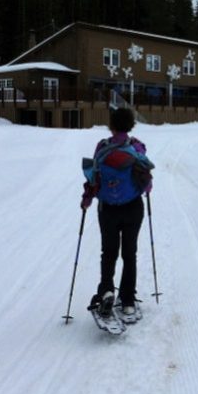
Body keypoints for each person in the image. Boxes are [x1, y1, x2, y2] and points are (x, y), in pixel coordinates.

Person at [81, 107, 152, 318]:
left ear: (111, 125)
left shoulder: (102, 147)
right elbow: (147, 184)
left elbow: (93, 177)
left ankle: (107, 291)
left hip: (107, 209)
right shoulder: (136, 147)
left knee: (109, 252)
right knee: (129, 254)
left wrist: (86, 200)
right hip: (133, 208)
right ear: (131, 125)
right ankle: (127, 300)